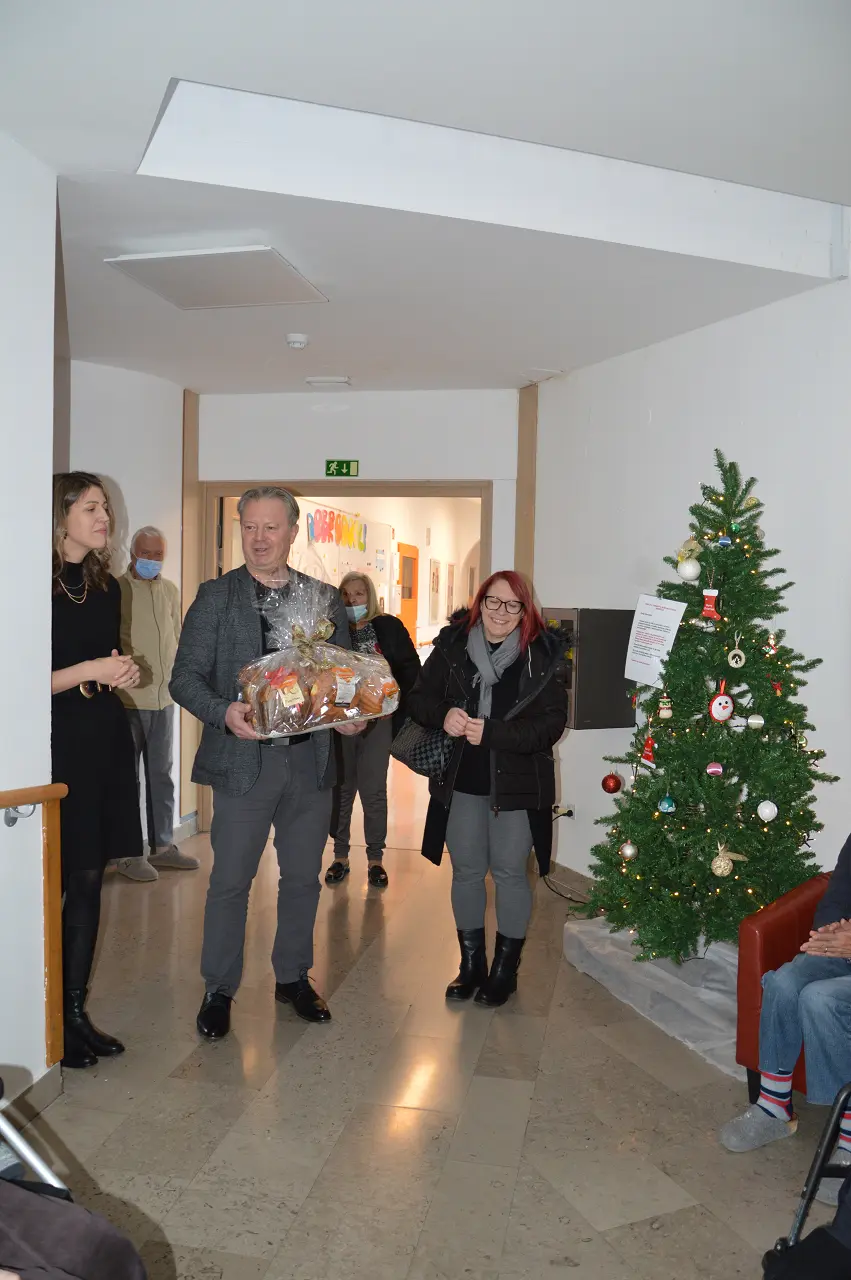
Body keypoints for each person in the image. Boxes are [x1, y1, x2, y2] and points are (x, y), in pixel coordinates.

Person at [170, 485, 364, 1040]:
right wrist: (223, 712)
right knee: (231, 881)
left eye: (270, 527)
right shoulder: (216, 597)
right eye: (249, 526)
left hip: (309, 764)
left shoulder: (323, 600)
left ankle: (293, 977)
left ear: (292, 532)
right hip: (243, 762)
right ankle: (218, 987)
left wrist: (348, 716)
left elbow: (339, 680)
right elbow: (183, 678)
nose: (258, 539)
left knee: (302, 879)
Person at [407, 571, 567, 1006]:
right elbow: (418, 698)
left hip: (517, 786)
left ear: (525, 611)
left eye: (512, 605)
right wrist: (443, 715)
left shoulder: (541, 656)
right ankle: (471, 966)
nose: (501, 612)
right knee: (466, 871)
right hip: (461, 782)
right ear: (479, 604)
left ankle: (504, 972)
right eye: (493, 602)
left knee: (511, 872)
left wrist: (495, 733)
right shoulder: (453, 646)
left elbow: (551, 725)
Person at [51, 472, 143, 1069]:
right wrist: (91, 670)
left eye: (104, 506)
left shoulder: (105, 586)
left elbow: (102, 663)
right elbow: (20, 681)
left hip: (102, 737)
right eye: (89, 507)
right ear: (60, 517)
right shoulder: (31, 584)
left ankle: (74, 1014)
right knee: (55, 882)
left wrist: (119, 672)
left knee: (89, 880)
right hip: (56, 745)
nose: (103, 516)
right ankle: (48, 1020)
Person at [719, 832, 851, 1205]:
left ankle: (849, 1138)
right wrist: (831, 935)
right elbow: (837, 895)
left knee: (820, 999)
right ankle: (774, 1107)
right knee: (784, 982)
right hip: (844, 950)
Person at [326, 571, 421, 889]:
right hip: (340, 724)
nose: (352, 600)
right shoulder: (331, 630)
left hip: (379, 723)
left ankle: (375, 860)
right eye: (345, 594)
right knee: (342, 790)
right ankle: (340, 856)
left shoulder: (388, 627)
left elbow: (410, 670)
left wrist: (395, 702)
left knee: (374, 791)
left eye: (358, 594)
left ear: (370, 597)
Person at [115, 525, 199, 881]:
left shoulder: (169, 590)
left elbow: (177, 637)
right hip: (127, 700)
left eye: (158, 555)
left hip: (164, 699)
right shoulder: (116, 590)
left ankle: (162, 847)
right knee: (126, 779)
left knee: (162, 776)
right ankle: (128, 853)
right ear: (133, 553)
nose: (151, 560)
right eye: (145, 554)